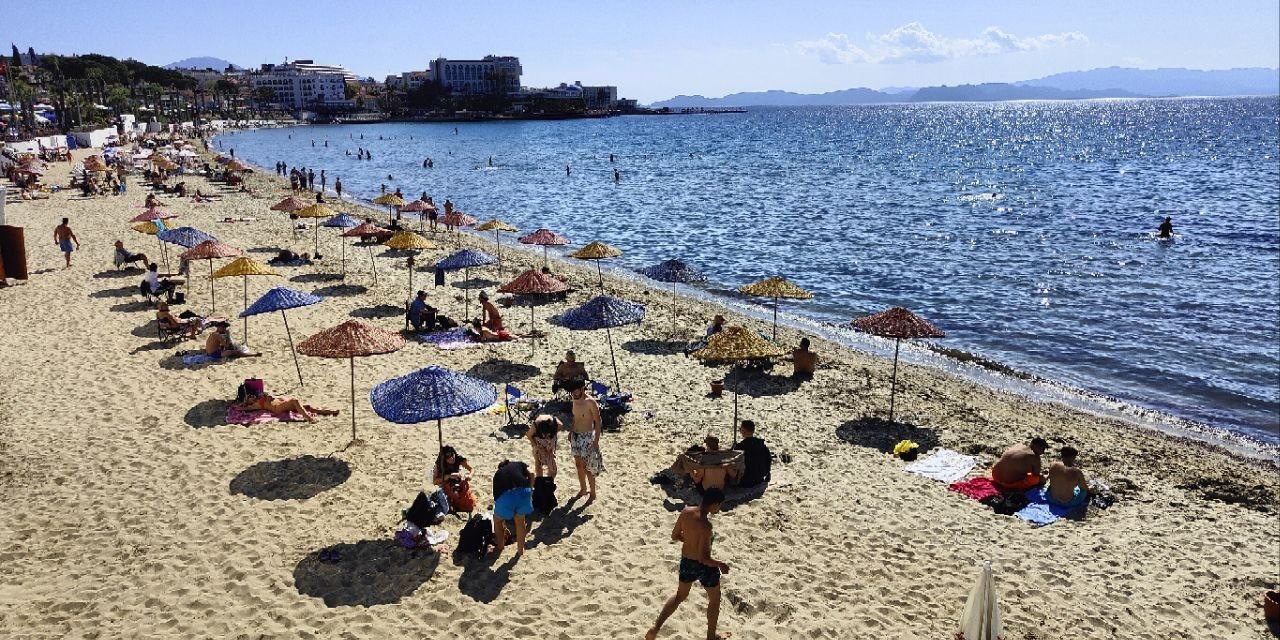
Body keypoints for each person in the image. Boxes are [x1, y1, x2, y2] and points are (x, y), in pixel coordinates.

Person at [645, 488, 730, 640]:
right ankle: (711, 636)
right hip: (703, 566)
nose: (719, 509)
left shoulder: (686, 512)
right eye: (719, 506)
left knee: (679, 596)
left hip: (687, 562)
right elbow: (704, 558)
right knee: (715, 599)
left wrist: (691, 541)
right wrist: (720, 564)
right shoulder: (706, 526)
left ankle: (655, 628)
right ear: (714, 504)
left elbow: (675, 535)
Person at [569, 380, 604, 500]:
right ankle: (583, 489)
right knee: (578, 465)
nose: (573, 393)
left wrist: (596, 441)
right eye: (572, 391)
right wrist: (571, 430)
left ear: (582, 388)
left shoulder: (590, 402)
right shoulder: (574, 398)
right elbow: (575, 417)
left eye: (575, 390)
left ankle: (593, 493)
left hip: (587, 437)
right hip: (576, 436)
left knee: (587, 468)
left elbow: (598, 422)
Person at [491, 459, 535, 557]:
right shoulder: (519, 464)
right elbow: (532, 473)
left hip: (506, 497)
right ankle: (520, 551)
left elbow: (497, 499)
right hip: (524, 492)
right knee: (520, 521)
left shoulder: (497, 474)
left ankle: (500, 547)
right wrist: (531, 489)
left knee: (497, 520)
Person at [234, 384, 338, 423]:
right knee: (295, 401)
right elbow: (241, 409)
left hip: (281, 403)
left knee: (307, 407)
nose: (252, 397)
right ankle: (309, 419)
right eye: (249, 397)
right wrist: (244, 403)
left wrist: (267, 396)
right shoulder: (255, 404)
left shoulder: (259, 396)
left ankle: (329, 412)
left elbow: (270, 397)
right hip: (277, 407)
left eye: (252, 396)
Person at [1045, 446, 1092, 511]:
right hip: (1068, 503)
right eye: (1074, 458)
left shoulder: (1053, 465)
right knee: (1083, 492)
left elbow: (1049, 478)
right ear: (1072, 457)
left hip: (1051, 499)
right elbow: (1085, 489)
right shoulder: (1077, 472)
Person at [433, 445, 476, 514]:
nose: (452, 458)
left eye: (452, 456)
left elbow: (471, 469)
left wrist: (470, 475)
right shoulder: (439, 465)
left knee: (469, 502)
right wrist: (449, 476)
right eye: (449, 458)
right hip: (445, 483)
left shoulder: (458, 459)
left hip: (457, 482)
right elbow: (435, 481)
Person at [732, 420, 772, 488]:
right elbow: (769, 459)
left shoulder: (740, 447)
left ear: (743, 430)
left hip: (745, 481)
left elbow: (734, 463)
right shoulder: (761, 445)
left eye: (740, 428)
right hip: (759, 479)